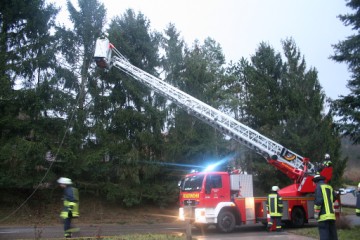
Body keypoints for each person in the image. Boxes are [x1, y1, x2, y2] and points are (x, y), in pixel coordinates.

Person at [313, 174, 338, 240]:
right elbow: (334, 197)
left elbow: (319, 201)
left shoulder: (318, 187)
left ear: (316, 181)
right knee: (332, 235)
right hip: (331, 216)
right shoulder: (329, 187)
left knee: (324, 235)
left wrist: (316, 213)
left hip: (323, 217)